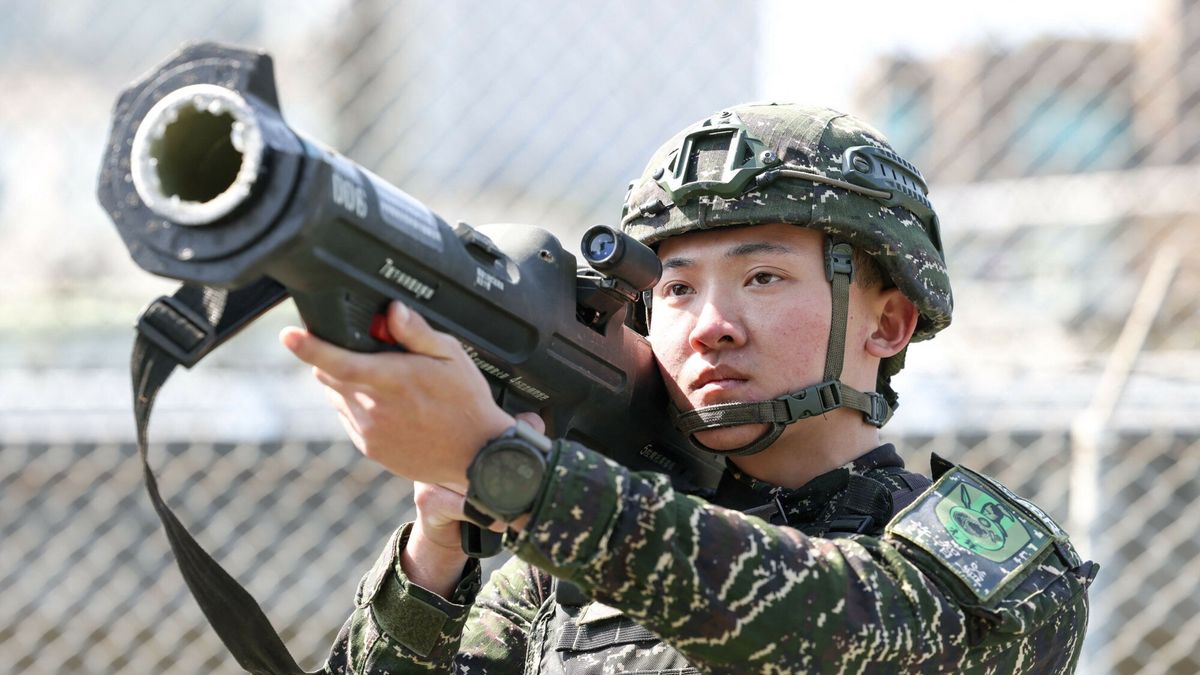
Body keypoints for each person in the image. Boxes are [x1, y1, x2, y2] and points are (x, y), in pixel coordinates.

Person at [281, 103, 1096, 673]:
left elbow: (810, 625)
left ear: (886, 323)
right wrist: (436, 554)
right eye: (674, 290)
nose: (712, 324)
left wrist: (513, 471)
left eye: (765, 276)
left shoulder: (994, 570)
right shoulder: (555, 578)